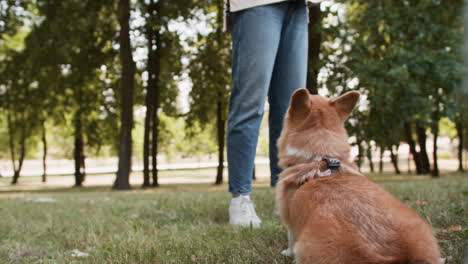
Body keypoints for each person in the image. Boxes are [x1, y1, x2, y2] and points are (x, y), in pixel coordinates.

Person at [226, 0, 320, 228]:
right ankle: (240, 198)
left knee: (292, 110)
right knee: (250, 104)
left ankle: (286, 197)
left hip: (298, 6)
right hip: (255, 4)